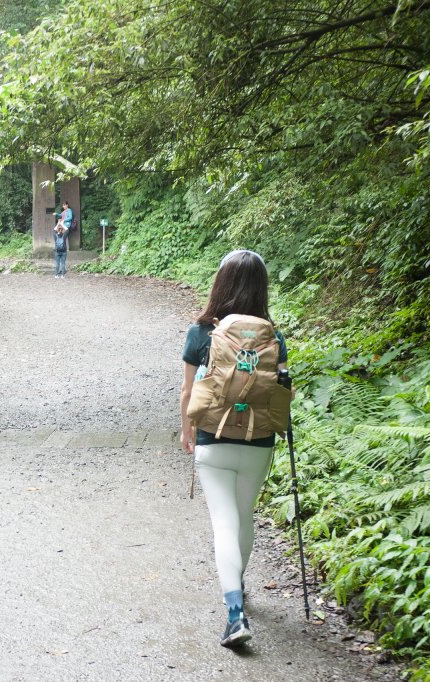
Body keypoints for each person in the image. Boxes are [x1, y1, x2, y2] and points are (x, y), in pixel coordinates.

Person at [179, 249, 288, 648]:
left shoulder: (200, 332)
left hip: (213, 439)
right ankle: (238, 583)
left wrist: (186, 431)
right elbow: (280, 390)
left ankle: (234, 614)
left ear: (220, 282)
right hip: (258, 442)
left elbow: (189, 390)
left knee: (223, 522)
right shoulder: (272, 336)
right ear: (261, 287)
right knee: (243, 517)